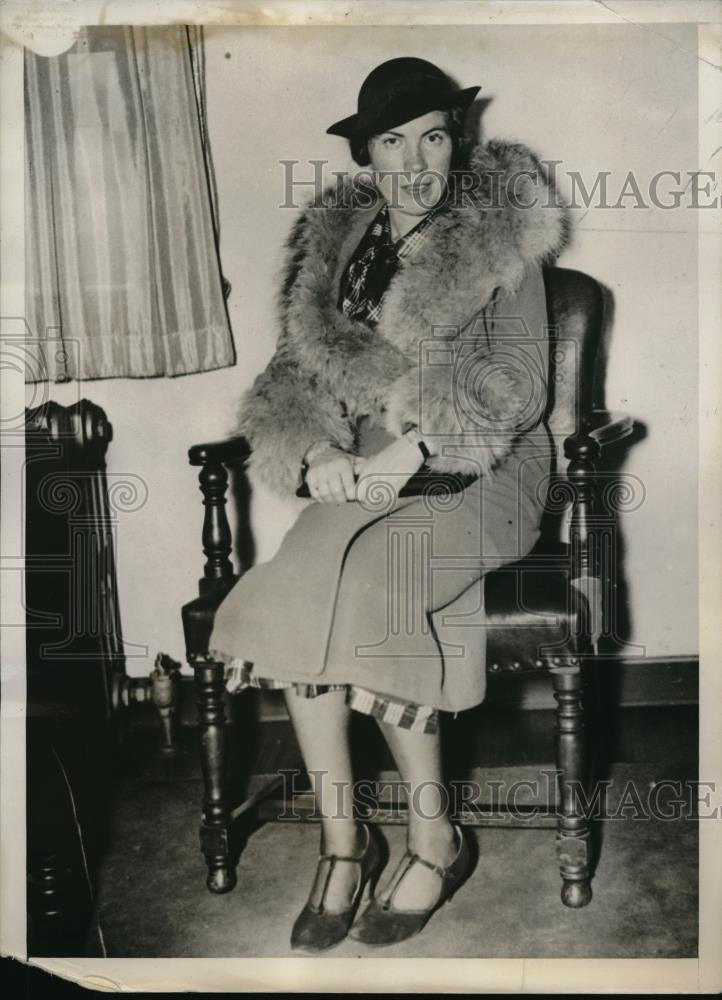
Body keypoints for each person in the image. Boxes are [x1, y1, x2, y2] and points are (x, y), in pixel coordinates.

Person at [209, 56, 567, 952]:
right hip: (368, 470)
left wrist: (416, 441)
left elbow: (519, 388)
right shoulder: (341, 250)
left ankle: (435, 837)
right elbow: (293, 375)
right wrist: (320, 447)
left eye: (434, 137)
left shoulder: (496, 238)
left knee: (377, 580)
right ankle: (343, 843)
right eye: (394, 143)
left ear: (457, 141)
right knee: (292, 583)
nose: (416, 164)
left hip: (489, 465)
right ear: (368, 157)